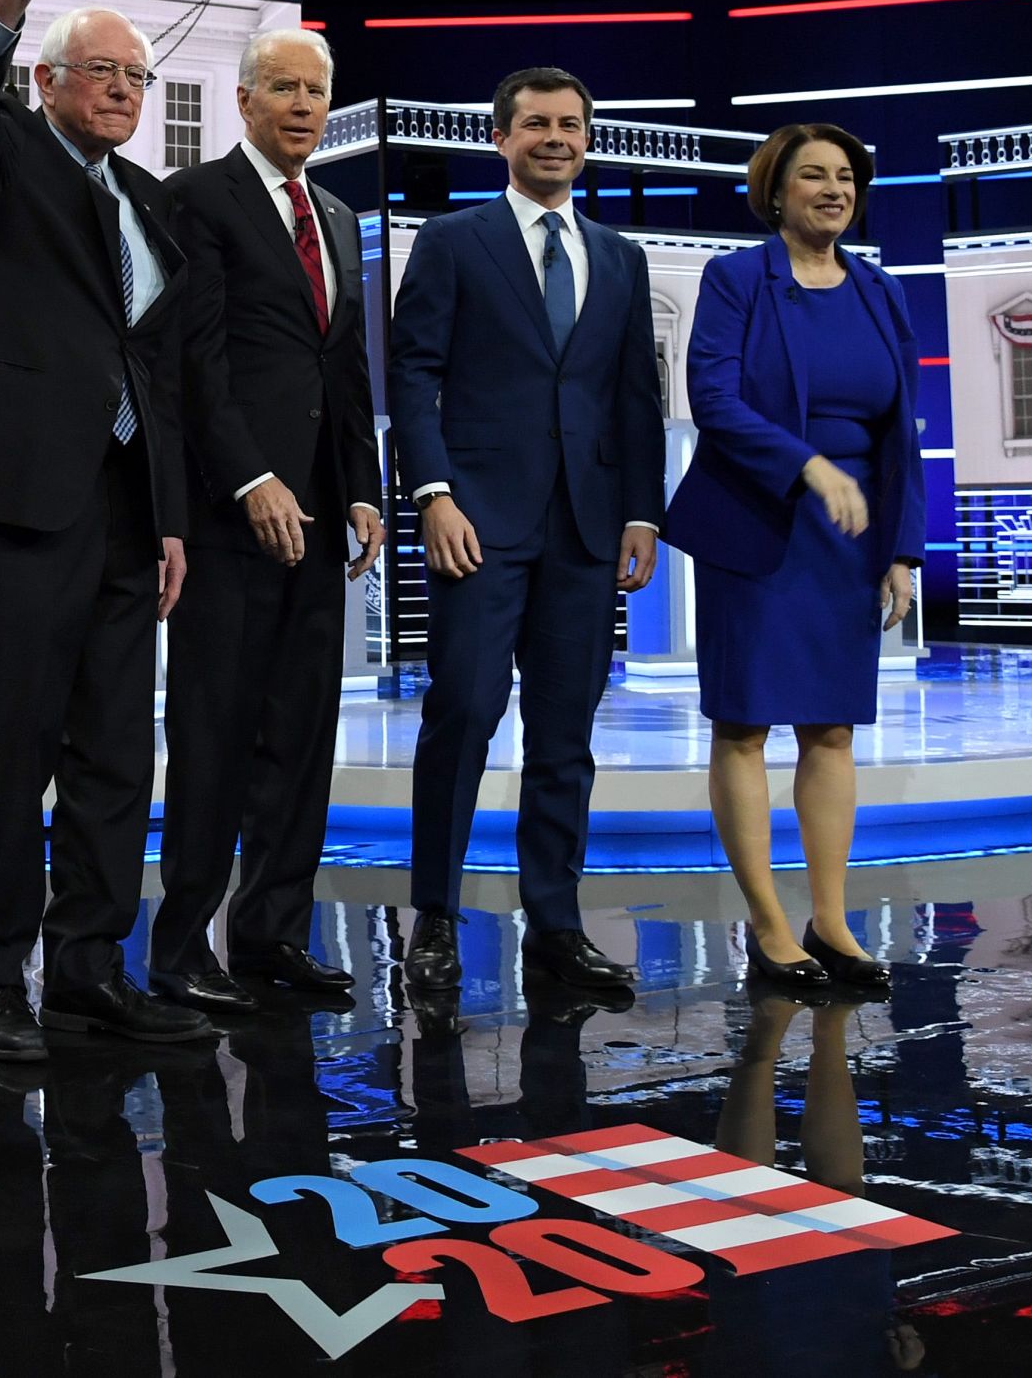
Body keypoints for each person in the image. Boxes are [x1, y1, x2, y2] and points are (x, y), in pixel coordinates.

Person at [0, 0, 205, 1059]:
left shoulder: (148, 200)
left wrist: (172, 515)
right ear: (48, 79)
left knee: (116, 753)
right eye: (104, 72)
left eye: (138, 76)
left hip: (128, 507)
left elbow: (156, 371)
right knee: (16, 744)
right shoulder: (2, 155)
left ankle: (89, 968)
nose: (124, 90)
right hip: (23, 495)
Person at [386, 66, 665, 994]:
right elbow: (413, 374)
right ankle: (434, 918)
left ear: (587, 139)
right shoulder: (452, 241)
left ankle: (555, 924)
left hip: (586, 529)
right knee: (464, 713)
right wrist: (433, 494)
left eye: (571, 124)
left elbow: (635, 395)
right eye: (537, 123)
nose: (556, 137)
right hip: (476, 521)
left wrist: (640, 510)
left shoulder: (619, 256)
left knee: (564, 734)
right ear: (501, 136)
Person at [153, 28, 385, 1012]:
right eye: (282, 88)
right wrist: (250, 477)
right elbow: (195, 358)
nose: (301, 106)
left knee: (301, 731)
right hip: (229, 518)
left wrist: (364, 486)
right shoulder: (196, 198)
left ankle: (272, 932)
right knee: (214, 733)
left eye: (314, 91)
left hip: (321, 516)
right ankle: (181, 947)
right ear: (244, 100)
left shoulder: (335, 214)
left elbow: (343, 364)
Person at [662, 123, 918, 991]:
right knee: (745, 724)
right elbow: (714, 398)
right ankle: (770, 927)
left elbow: (901, 434)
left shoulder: (881, 291)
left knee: (832, 727)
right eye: (814, 174)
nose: (834, 189)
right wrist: (805, 465)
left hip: (850, 533)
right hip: (758, 521)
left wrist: (902, 550)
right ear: (776, 190)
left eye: (846, 176)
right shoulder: (737, 278)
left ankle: (831, 921)